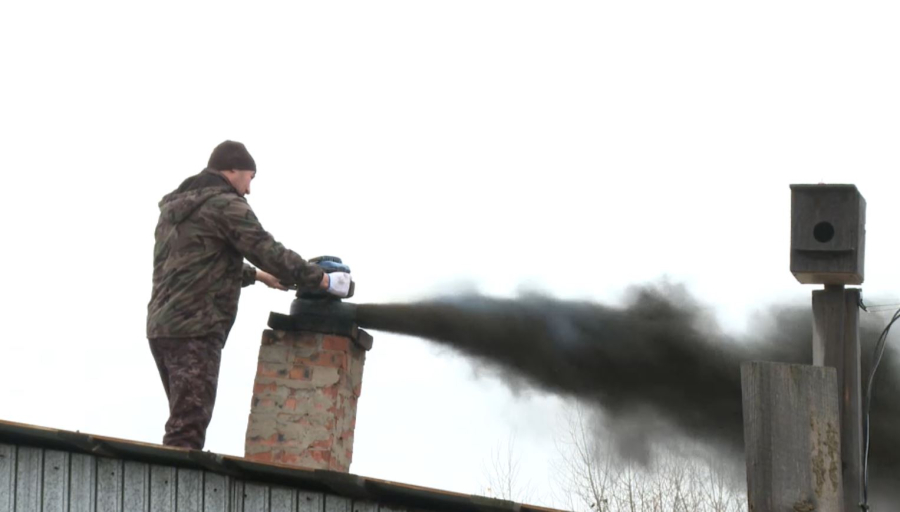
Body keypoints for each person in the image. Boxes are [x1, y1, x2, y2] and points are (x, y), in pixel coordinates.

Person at [146, 140, 352, 449]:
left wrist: (258, 276)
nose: (249, 189)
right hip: (196, 329)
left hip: (162, 328)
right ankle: (172, 494)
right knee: (186, 430)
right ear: (232, 170)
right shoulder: (226, 204)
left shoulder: (179, 209)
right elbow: (266, 250)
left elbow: (194, 263)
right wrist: (322, 280)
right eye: (250, 178)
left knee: (183, 420)